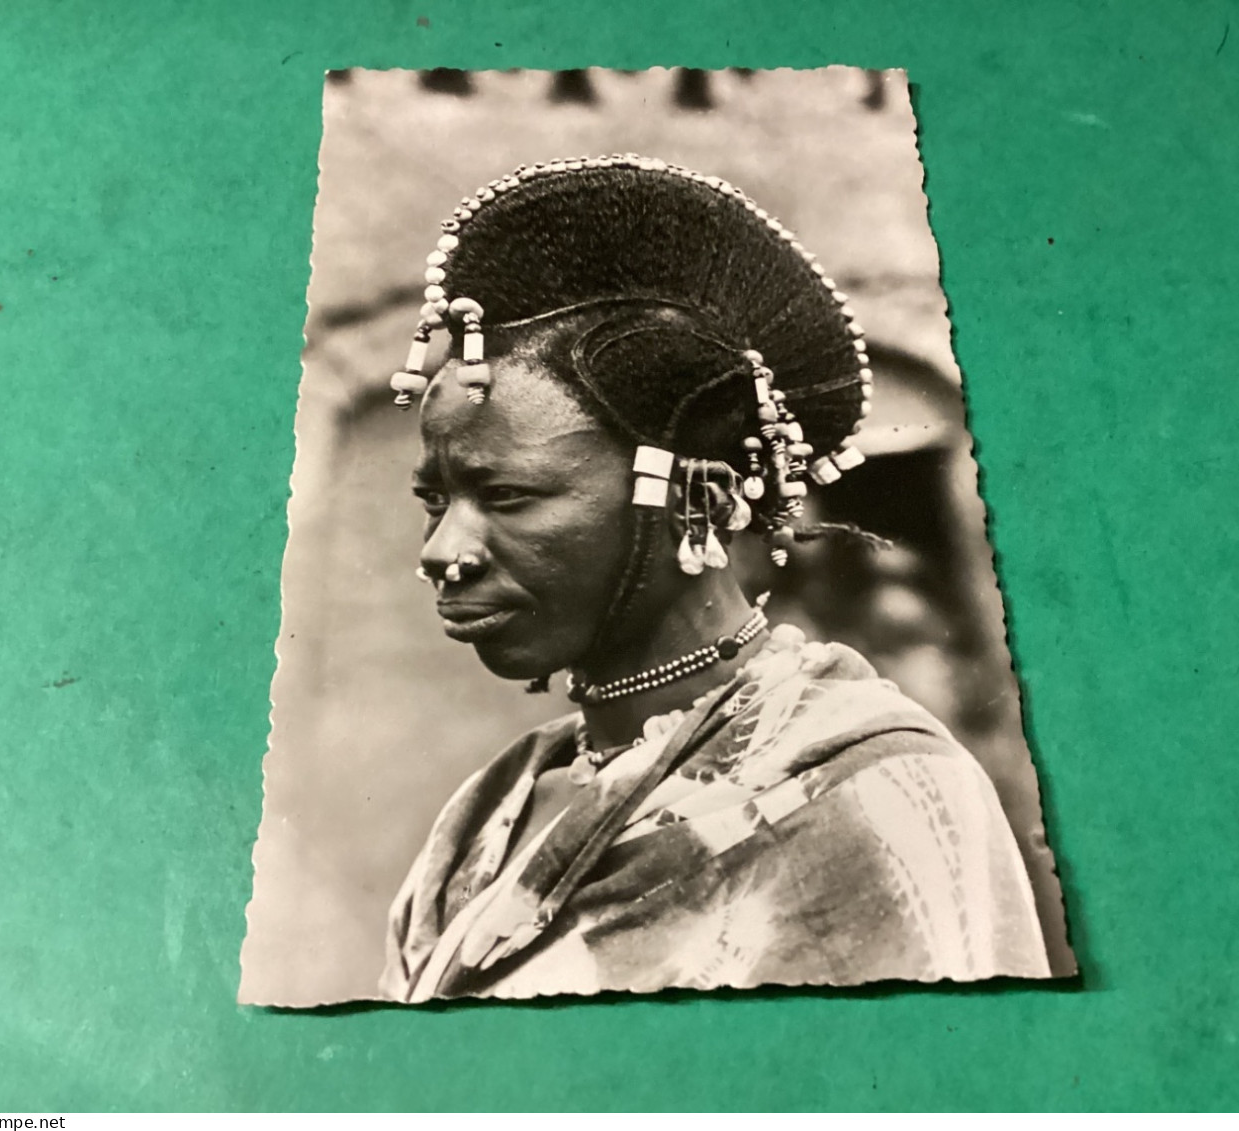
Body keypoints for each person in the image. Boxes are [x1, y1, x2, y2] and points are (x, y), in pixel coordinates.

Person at [378, 155, 1051, 1002]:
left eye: (506, 495)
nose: (445, 548)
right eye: (434, 499)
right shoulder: (492, 811)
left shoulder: (869, 793)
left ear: (700, 497)